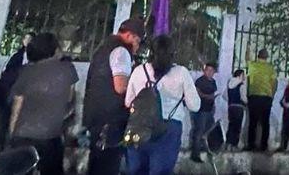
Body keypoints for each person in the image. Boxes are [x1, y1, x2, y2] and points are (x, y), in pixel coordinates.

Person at [124, 34, 201, 175]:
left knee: (136, 170)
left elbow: (128, 101)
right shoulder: (181, 73)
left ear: (151, 51)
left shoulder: (139, 71)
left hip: (140, 126)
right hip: (169, 128)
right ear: (173, 53)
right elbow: (195, 106)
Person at [8, 32, 79, 175]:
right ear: (54, 49)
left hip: (23, 133)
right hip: (51, 134)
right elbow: (70, 98)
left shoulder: (26, 71)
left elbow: (17, 106)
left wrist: (11, 134)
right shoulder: (67, 69)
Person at [82, 17, 145, 175]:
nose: (137, 47)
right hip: (110, 120)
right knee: (107, 165)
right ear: (129, 36)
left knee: (96, 164)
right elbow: (121, 86)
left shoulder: (104, 48)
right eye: (137, 41)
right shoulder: (121, 51)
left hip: (97, 117)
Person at [246, 48, 277, 152]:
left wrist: (247, 48)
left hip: (254, 96)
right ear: (267, 57)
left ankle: (251, 145)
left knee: (253, 122)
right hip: (266, 97)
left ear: (258, 56)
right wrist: (272, 95)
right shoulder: (270, 68)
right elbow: (274, 83)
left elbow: (247, 58)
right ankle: (263, 146)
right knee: (265, 122)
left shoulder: (252, 65)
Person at [190, 62, 218, 163]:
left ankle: (206, 149)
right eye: (208, 70)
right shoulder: (200, 81)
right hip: (201, 110)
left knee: (209, 131)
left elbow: (213, 94)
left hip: (209, 110)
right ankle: (195, 153)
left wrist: (213, 104)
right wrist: (207, 97)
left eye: (211, 70)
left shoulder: (213, 82)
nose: (209, 72)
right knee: (199, 131)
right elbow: (197, 92)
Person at [226, 69, 248, 150]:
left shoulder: (229, 83)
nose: (244, 77)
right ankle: (234, 145)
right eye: (243, 75)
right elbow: (243, 98)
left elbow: (225, 95)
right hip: (239, 107)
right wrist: (247, 103)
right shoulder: (241, 84)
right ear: (240, 75)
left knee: (231, 125)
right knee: (237, 127)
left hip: (231, 107)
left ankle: (228, 144)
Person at [278, 80, 289, 152]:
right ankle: (288, 146)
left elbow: (282, 100)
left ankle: (284, 146)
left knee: (286, 129)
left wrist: (286, 104)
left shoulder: (288, 89)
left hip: (288, 111)